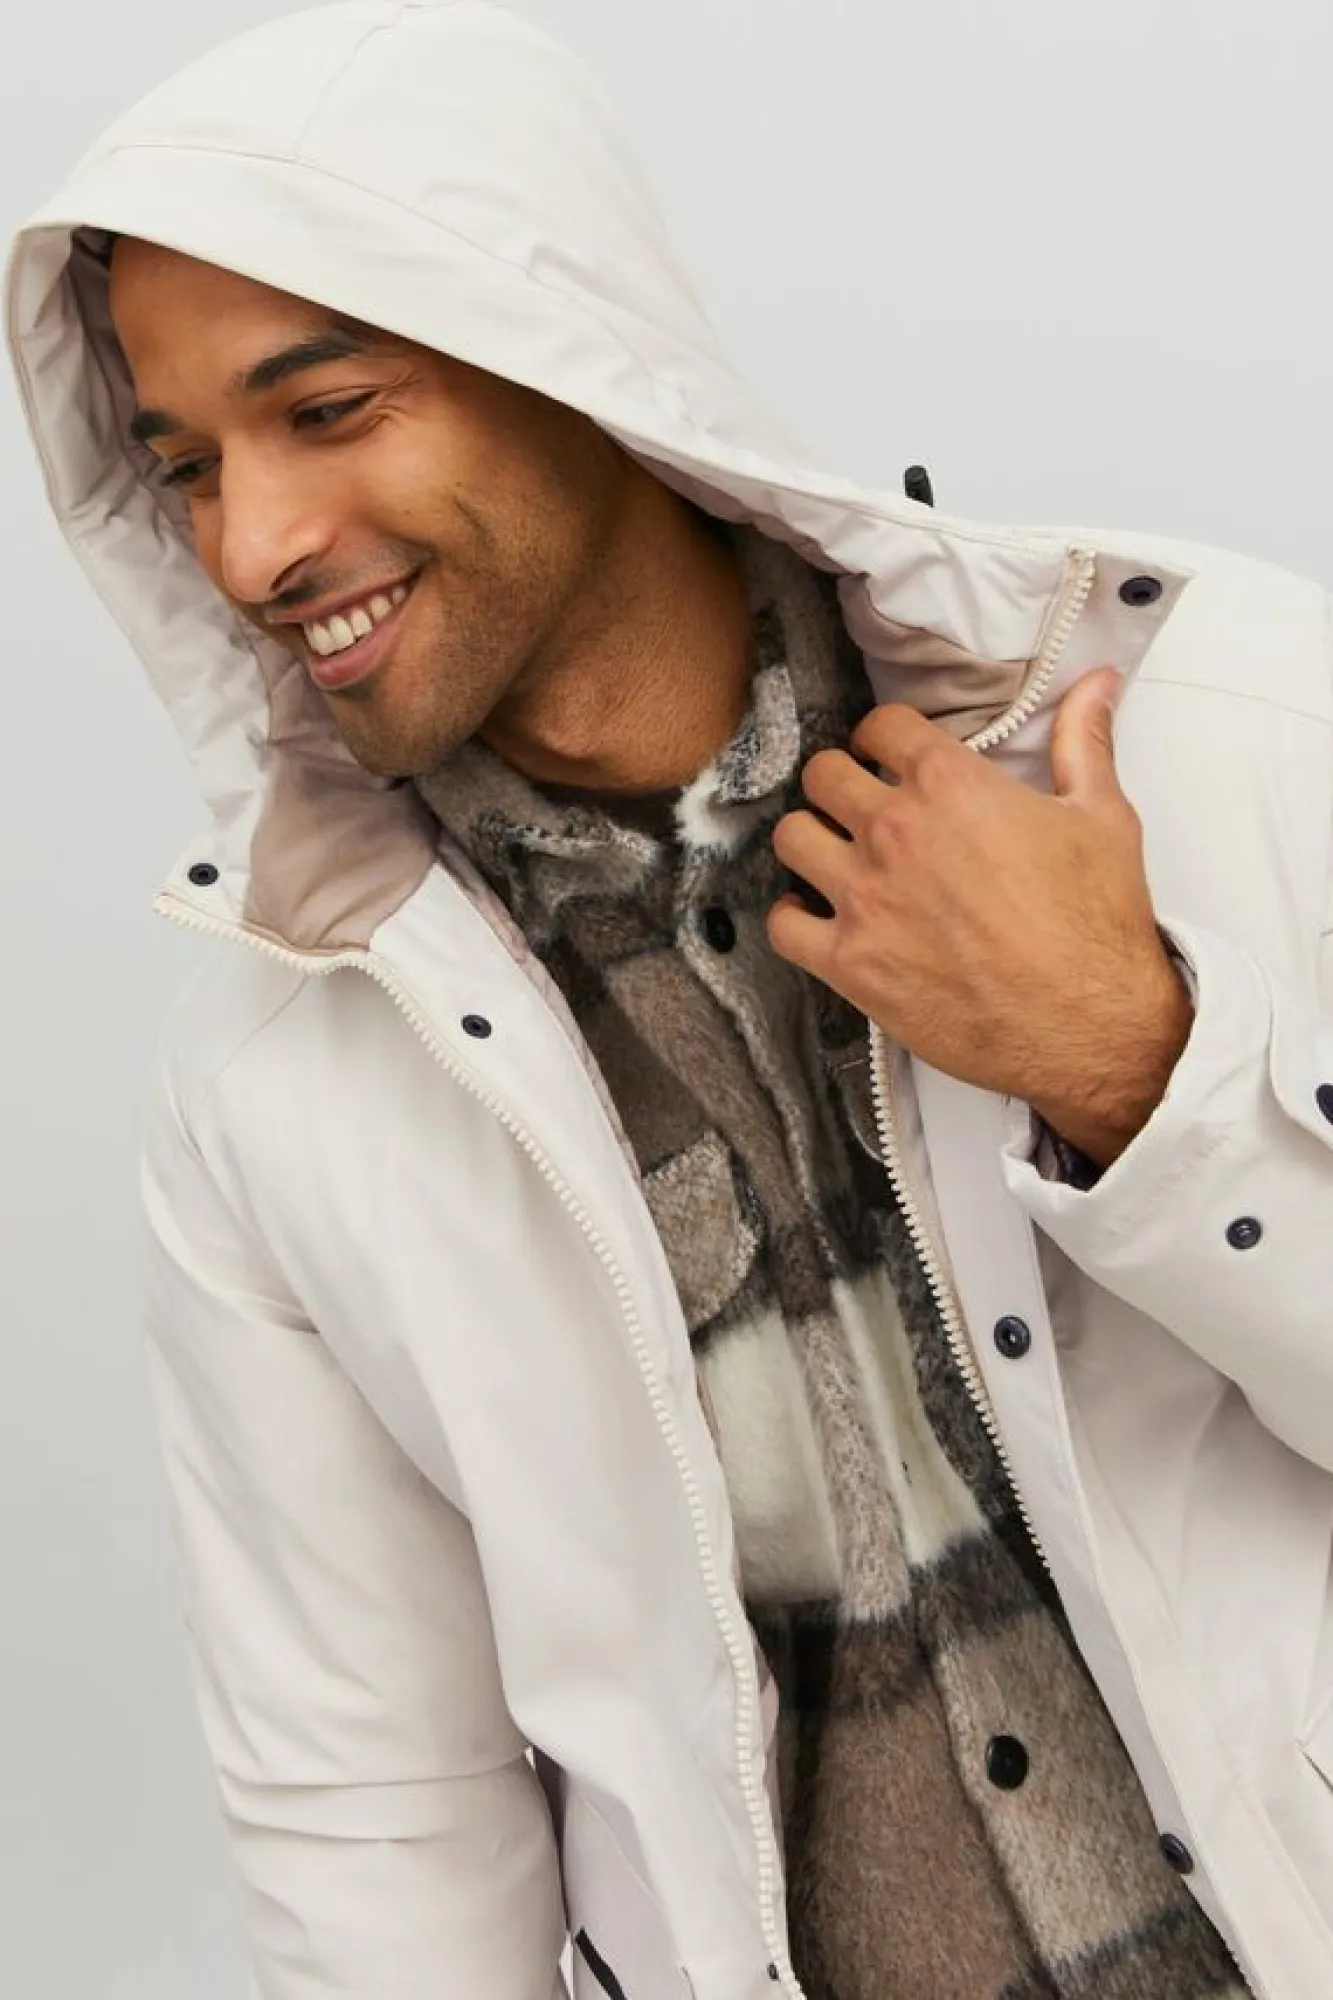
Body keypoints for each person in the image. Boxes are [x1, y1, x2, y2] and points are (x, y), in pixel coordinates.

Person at [7, 5, 1332, 1997]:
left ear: (564, 348)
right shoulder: (277, 1088)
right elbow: (378, 1838)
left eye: (330, 409)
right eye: (182, 465)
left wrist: (1129, 1063)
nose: (252, 545)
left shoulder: (1221, 729)